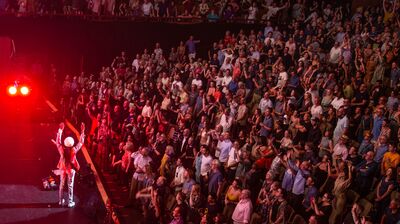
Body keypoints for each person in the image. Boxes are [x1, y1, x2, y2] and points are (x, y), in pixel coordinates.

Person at [52, 122, 85, 208]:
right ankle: (70, 202)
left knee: (61, 184)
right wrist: (82, 132)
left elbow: (58, 142)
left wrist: (60, 130)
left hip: (63, 168)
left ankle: (60, 201)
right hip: (71, 170)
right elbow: (81, 142)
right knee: (70, 185)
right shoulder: (74, 150)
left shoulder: (61, 149)